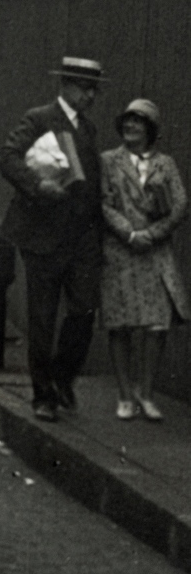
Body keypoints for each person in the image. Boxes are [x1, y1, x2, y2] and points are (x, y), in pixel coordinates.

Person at [0, 56, 105, 422]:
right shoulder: (39, 118)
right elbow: (7, 156)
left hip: (82, 238)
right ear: (67, 86)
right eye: (84, 88)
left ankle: (62, 376)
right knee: (42, 316)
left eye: (94, 89)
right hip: (43, 235)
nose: (90, 95)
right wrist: (37, 185)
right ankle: (43, 394)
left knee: (85, 309)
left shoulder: (88, 130)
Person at [99, 98, 189, 422]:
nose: (130, 126)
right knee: (120, 324)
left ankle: (146, 393)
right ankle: (125, 396)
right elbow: (104, 203)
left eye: (138, 122)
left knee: (156, 325)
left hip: (154, 253)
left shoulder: (166, 163)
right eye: (127, 121)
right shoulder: (108, 161)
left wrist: (151, 234)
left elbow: (180, 205)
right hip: (121, 253)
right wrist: (129, 233)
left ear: (150, 129)